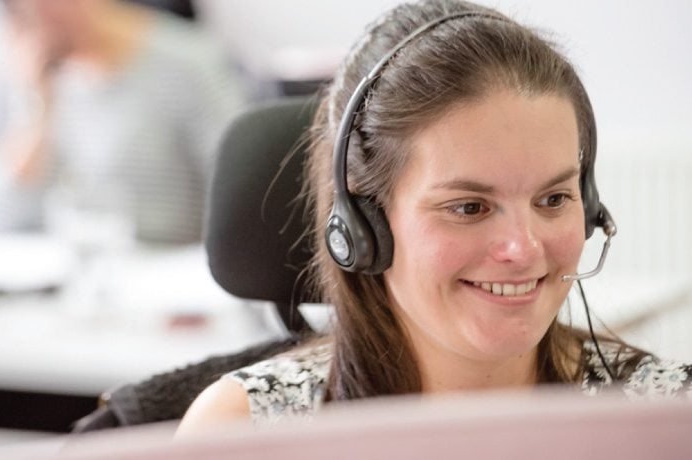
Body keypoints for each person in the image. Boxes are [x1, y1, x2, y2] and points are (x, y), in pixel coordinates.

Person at [175, 0, 692, 433]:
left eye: (553, 199)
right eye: (469, 207)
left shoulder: (664, 417)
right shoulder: (246, 432)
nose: (525, 248)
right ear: (361, 225)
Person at [0, 0, 243, 244]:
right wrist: (37, 109)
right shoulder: (2, 65)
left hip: (160, 282)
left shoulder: (188, 60)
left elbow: (241, 193)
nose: (40, 11)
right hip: (37, 293)